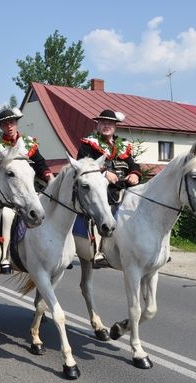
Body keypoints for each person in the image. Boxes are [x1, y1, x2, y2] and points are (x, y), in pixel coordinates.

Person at [0, 107, 53, 274]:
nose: (9, 126)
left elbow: (40, 163)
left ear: (16, 123)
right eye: (5, 124)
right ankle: (4, 258)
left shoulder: (29, 143)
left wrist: (49, 175)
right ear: (0, 127)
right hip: (7, 194)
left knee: (50, 208)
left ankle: (55, 251)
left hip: (30, 190)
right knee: (7, 216)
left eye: (12, 122)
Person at [77, 109, 141, 266]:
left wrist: (135, 174)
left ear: (115, 126)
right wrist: (104, 173)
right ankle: (99, 251)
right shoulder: (88, 143)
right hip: (101, 190)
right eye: (103, 123)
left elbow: (133, 164)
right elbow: (83, 164)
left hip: (124, 188)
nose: (107, 126)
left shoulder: (122, 145)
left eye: (110, 123)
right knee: (98, 211)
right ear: (98, 125)